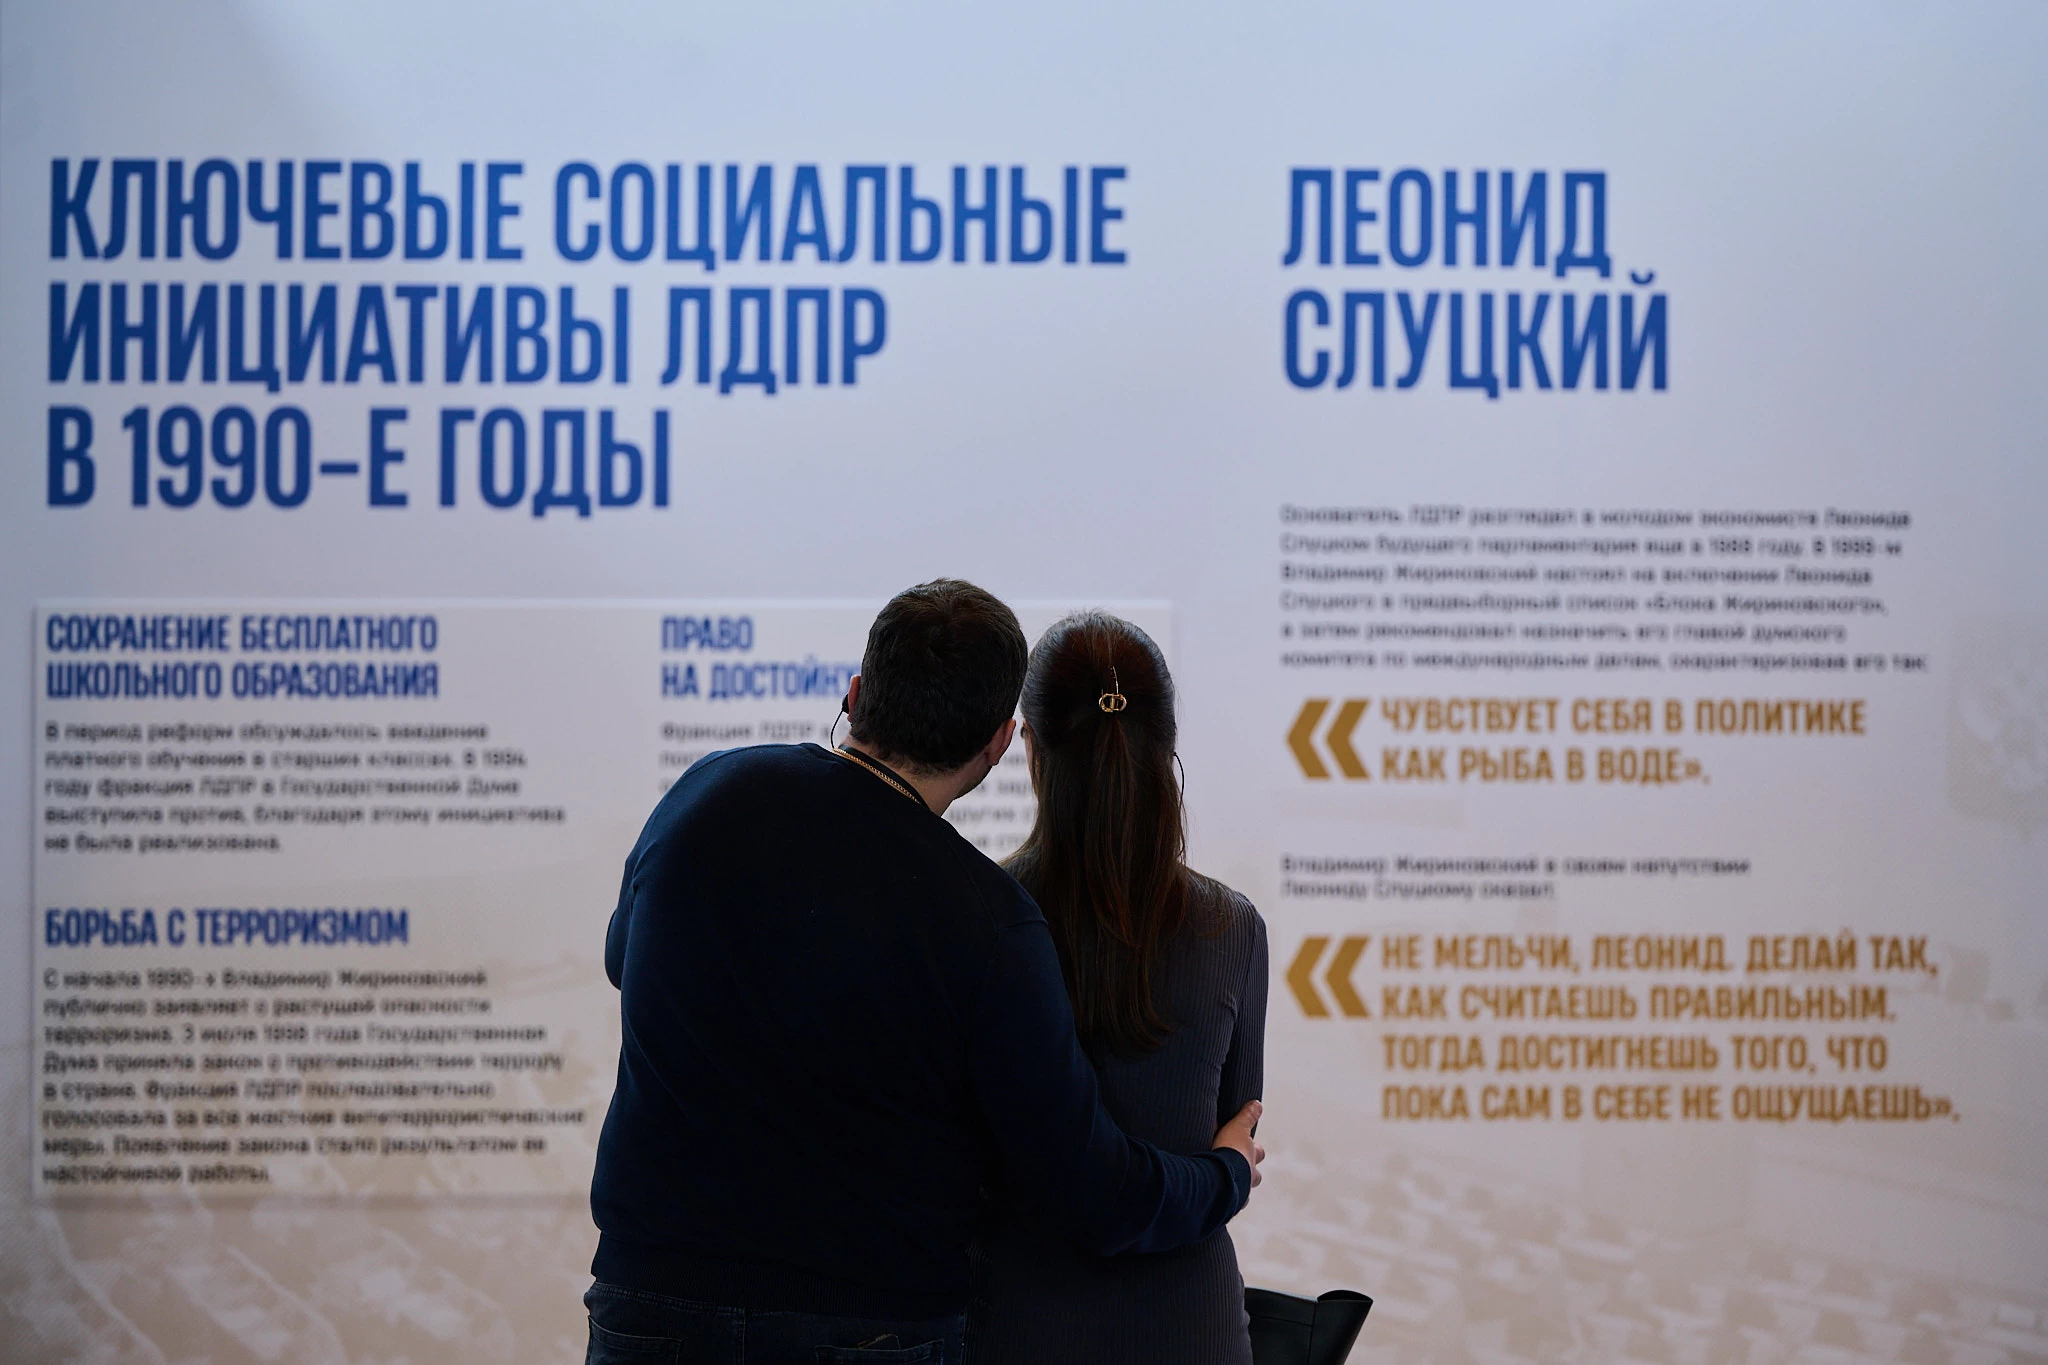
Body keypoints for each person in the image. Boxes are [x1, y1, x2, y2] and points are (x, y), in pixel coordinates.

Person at [585, 580, 1264, 1365]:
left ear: (856, 693)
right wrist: (1225, 1174)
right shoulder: (988, 919)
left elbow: (623, 958)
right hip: (866, 1325)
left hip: (651, 1302)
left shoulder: (704, 793)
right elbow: (1093, 1190)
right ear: (998, 745)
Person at [968, 611, 1270, 1365]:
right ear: (1166, 746)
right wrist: (1222, 1175)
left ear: (1028, 747)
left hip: (1018, 1328)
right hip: (1192, 1330)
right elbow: (1238, 1124)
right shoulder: (1234, 928)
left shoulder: (976, 916)